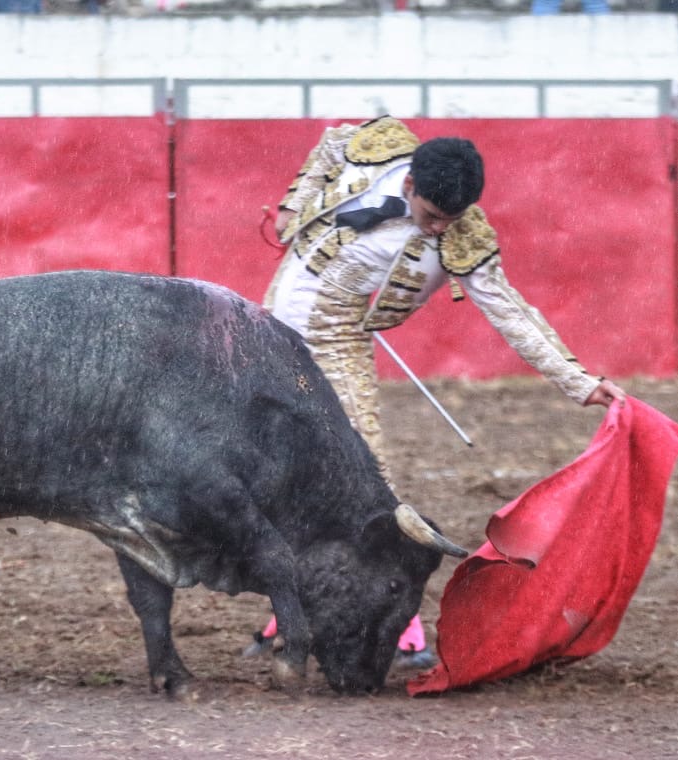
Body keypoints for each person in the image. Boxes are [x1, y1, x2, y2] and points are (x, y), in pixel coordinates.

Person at [247, 115, 626, 669]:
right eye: (430, 217)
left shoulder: (462, 240)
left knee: (365, 490)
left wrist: (581, 382)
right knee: (271, 480)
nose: (439, 231)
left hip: (331, 351)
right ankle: (295, 608)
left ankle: (397, 628)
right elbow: (331, 143)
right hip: (265, 334)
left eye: (451, 221)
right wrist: (292, 204)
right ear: (409, 185)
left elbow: (512, 313)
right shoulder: (377, 149)